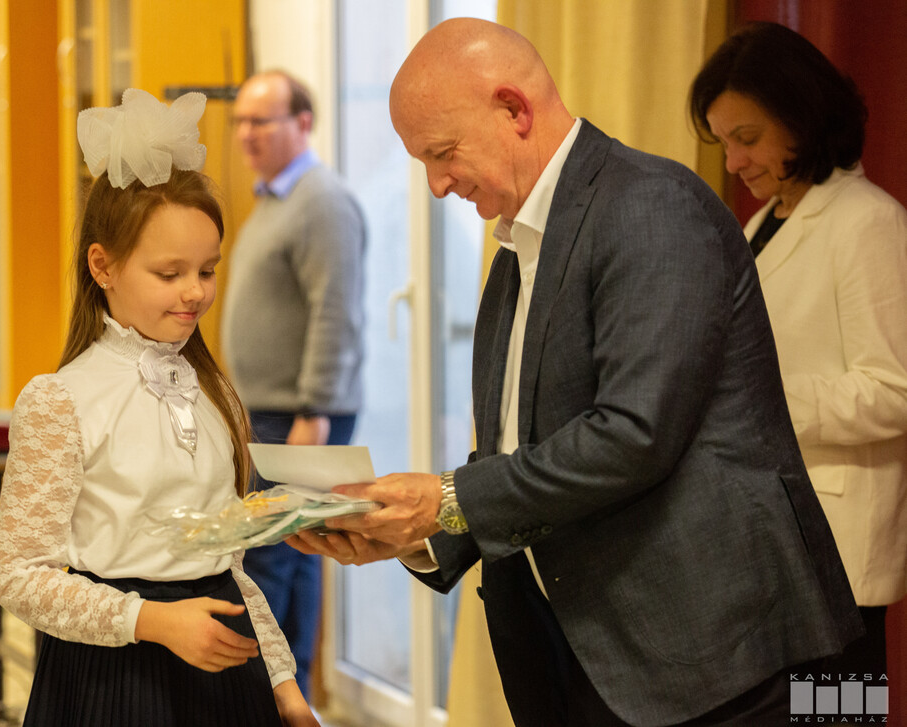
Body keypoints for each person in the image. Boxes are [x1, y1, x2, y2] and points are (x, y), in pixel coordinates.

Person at [287, 18, 863, 727]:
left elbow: (632, 434)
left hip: (718, 657)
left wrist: (444, 498)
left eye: (443, 153)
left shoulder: (651, 205)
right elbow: (519, 449)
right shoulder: (518, 247)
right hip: (587, 653)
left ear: (514, 110)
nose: (435, 185)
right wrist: (416, 533)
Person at [0, 88, 318, 727]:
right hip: (114, 676)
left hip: (225, 671)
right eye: (170, 274)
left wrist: (282, 682)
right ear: (103, 266)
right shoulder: (60, 400)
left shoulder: (215, 392)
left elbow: (231, 570)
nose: (195, 292)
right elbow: (19, 576)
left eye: (207, 270)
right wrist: (153, 621)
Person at [690, 21, 907, 681]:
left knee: (841, 714)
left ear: (803, 119)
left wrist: (756, 399)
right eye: (724, 143)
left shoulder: (867, 221)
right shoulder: (763, 222)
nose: (734, 162)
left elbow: (895, 389)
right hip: (773, 542)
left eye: (747, 138)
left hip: (836, 553)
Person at [221, 69, 365, 699]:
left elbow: (336, 311)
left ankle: (280, 699)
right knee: (289, 553)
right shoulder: (275, 199)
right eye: (240, 122)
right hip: (272, 411)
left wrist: (315, 409)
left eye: (261, 120)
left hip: (303, 413)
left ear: (303, 123)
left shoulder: (321, 201)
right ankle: (287, 697)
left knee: (277, 558)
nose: (246, 134)